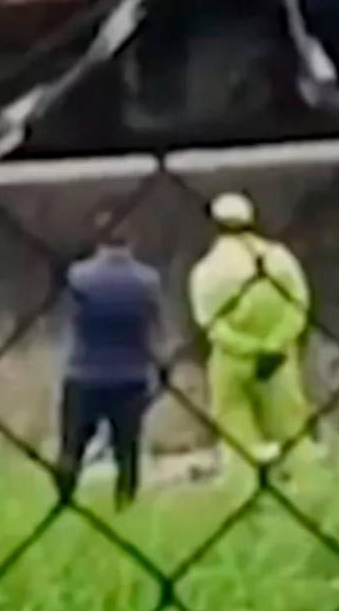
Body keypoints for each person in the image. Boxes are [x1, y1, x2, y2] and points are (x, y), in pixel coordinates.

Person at [189, 193, 312, 490]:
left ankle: (244, 492)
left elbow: (211, 323)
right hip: (279, 359)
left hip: (233, 361)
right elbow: (300, 305)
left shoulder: (207, 270)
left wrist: (247, 349)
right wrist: (274, 344)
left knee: (236, 433)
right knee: (291, 430)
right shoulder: (280, 258)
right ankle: (307, 489)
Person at [56, 205, 162, 509]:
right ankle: (124, 506)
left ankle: (65, 500)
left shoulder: (79, 277)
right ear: (133, 241)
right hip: (131, 376)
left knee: (71, 448)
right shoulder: (147, 280)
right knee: (127, 452)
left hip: (84, 372)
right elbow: (154, 328)